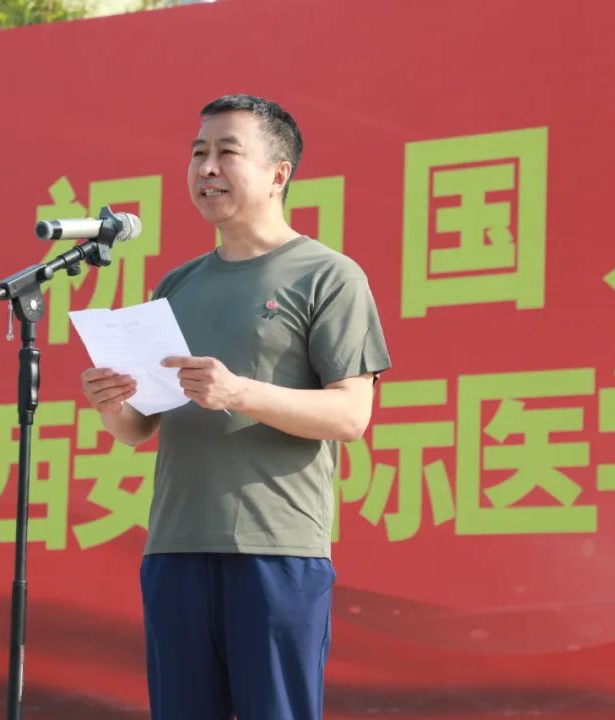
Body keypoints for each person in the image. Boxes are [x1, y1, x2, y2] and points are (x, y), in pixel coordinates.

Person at [80, 94, 391, 720]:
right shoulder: (177, 285)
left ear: (279, 174)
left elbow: (351, 416)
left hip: (275, 549)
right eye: (198, 152)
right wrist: (113, 405)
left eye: (227, 152)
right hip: (174, 549)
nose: (206, 168)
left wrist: (239, 392)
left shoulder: (328, 276)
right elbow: (139, 428)